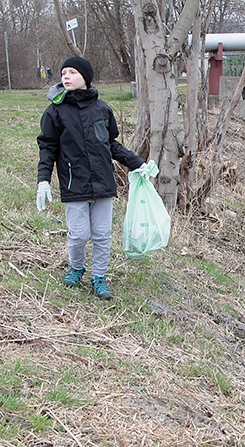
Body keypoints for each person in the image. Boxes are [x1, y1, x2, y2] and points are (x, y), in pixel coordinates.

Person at [35, 56, 147, 300]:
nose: (65, 76)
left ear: (85, 77)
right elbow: (48, 147)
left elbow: (111, 144)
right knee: (78, 235)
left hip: (103, 184)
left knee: (102, 235)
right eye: (63, 72)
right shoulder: (55, 111)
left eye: (72, 72)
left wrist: (138, 164)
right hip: (75, 184)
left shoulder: (102, 110)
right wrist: (43, 179)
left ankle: (99, 277)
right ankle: (76, 268)